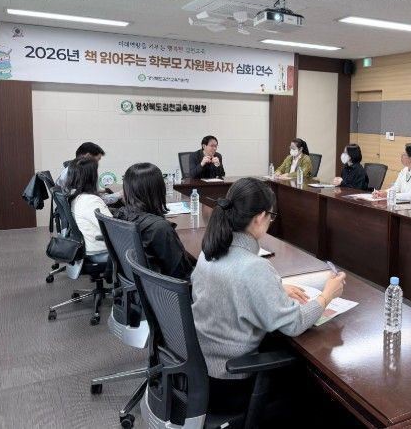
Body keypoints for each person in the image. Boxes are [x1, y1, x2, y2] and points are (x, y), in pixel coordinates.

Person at [191, 177, 346, 406]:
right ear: (260, 217)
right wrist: (327, 295)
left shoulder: (209, 250)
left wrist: (274, 287)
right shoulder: (255, 267)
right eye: (271, 216)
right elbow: (294, 324)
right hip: (231, 380)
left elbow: (228, 283)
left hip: (201, 368)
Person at [115, 162, 194, 278]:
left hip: (139, 281)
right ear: (159, 189)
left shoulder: (122, 213)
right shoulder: (159, 228)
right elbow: (181, 272)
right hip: (166, 286)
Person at [67, 157, 112, 254]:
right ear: (91, 177)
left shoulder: (75, 196)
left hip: (88, 245)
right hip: (100, 249)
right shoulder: (91, 201)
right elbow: (113, 230)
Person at [56, 142, 121, 205]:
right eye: (98, 159)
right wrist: (120, 194)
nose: (98, 164)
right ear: (88, 156)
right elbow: (96, 200)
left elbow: (85, 193)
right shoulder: (80, 174)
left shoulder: (68, 171)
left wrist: (102, 191)